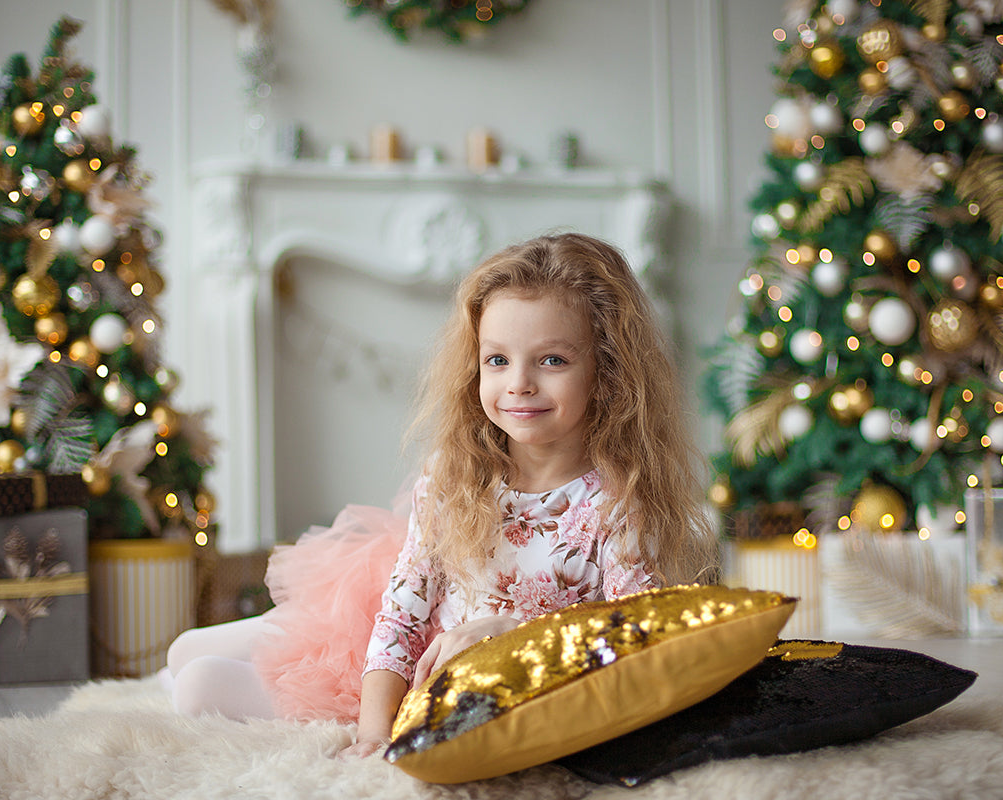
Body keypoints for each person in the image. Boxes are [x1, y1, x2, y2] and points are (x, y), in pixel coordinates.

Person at [164, 232, 718, 756]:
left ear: (608, 371)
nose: (519, 382)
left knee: (195, 685)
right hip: (388, 656)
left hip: (447, 691)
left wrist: (512, 631)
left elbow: (635, 642)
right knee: (183, 649)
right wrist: (373, 734)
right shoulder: (456, 477)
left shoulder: (619, 504)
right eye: (497, 359)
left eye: (552, 360)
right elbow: (401, 617)